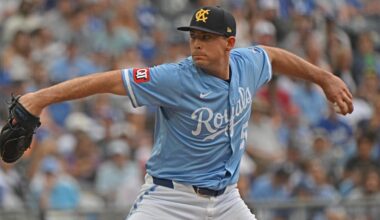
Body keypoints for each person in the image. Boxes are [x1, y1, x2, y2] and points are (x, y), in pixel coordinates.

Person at [17, 6, 353, 220]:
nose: (197, 45)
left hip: (226, 201)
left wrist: (324, 77)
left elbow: (274, 56)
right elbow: (108, 81)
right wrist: (39, 99)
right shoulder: (175, 77)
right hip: (168, 199)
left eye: (206, 38)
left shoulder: (246, 64)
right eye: (194, 37)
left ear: (229, 43)